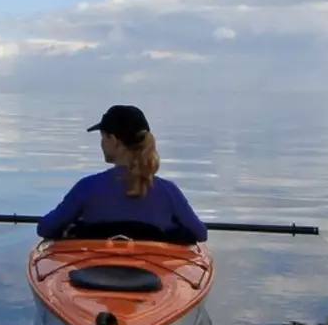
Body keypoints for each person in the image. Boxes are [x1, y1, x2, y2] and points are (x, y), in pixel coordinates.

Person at [37, 104, 208, 244]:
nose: (101, 143)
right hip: (152, 271)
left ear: (113, 140)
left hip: (96, 270)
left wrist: (76, 226)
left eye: (103, 136)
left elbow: (46, 228)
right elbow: (200, 233)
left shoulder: (87, 187)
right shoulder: (168, 191)